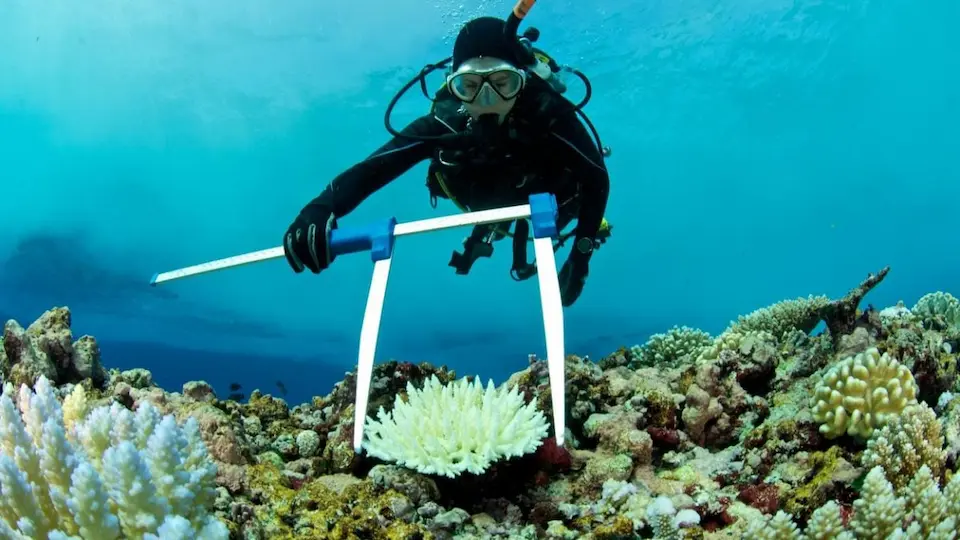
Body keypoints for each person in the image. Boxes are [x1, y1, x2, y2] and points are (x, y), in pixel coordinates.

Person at [283, 13, 611, 307]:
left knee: (569, 200)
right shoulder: (443, 122)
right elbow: (375, 169)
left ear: (521, 82)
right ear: (453, 87)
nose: (486, 100)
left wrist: (580, 256)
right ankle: (491, 228)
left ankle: (506, 229)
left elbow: (597, 177)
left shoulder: (547, 112)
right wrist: (320, 207)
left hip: (550, 195)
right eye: (469, 85)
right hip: (483, 193)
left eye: (502, 84)